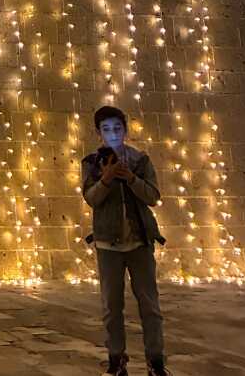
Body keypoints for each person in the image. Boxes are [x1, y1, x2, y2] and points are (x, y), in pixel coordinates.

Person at [82, 105, 168, 376]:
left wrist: (130, 178)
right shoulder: (92, 163)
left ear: (125, 130)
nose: (113, 135)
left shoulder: (139, 160)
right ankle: (116, 360)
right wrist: (106, 179)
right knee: (112, 307)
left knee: (150, 306)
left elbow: (153, 196)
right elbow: (91, 199)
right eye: (106, 130)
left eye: (117, 129)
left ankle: (156, 363)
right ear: (99, 133)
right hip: (108, 244)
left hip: (140, 242)